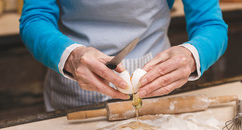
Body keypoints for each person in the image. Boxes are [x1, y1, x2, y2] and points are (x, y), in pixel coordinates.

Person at [19, 0, 228, 111]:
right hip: (75, 93)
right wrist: (72, 56)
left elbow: (210, 25)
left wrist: (192, 55)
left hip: (155, 90)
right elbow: (34, 19)